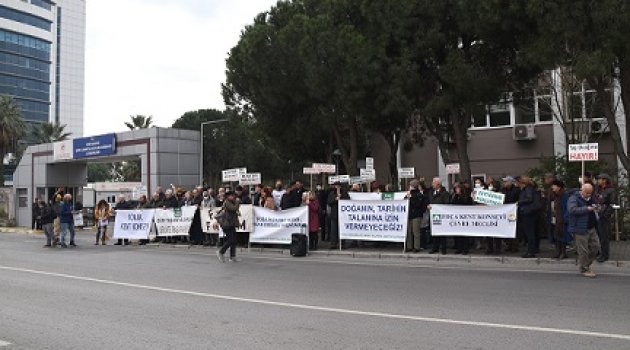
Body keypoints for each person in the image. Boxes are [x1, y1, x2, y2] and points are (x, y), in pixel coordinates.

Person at [567, 183, 601, 278]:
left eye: (590, 193)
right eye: (587, 193)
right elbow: (572, 210)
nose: (589, 195)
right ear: (582, 191)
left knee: (596, 247)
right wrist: (587, 209)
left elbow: (596, 205)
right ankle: (584, 268)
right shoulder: (574, 198)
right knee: (583, 251)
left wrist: (597, 208)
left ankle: (586, 264)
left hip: (591, 227)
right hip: (580, 228)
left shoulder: (592, 198)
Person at [517, 176, 542, 258]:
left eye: (518, 182)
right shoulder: (530, 189)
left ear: (522, 183)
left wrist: (519, 202)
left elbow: (529, 199)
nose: (517, 184)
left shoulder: (528, 189)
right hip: (530, 213)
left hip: (528, 213)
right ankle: (532, 250)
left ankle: (531, 251)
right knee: (531, 233)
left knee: (529, 233)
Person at [595, 173, 616, 263]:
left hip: (604, 217)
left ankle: (605, 255)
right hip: (597, 215)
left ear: (604, 180)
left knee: (604, 236)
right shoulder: (599, 190)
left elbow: (613, 205)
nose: (597, 181)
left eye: (599, 179)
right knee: (599, 236)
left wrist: (605, 215)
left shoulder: (611, 190)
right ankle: (600, 253)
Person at [216, 191, 241, 263]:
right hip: (227, 224)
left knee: (234, 240)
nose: (233, 197)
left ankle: (232, 256)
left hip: (231, 223)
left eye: (233, 196)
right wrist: (237, 203)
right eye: (231, 196)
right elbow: (233, 208)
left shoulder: (232, 202)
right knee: (231, 240)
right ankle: (221, 252)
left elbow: (235, 211)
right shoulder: (227, 202)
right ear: (228, 196)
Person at [429, 178, 451, 255]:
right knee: (434, 232)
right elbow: (429, 201)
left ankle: (443, 248)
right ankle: (435, 247)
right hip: (433, 215)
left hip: (441, 215)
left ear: (438, 184)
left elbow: (447, 203)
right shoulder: (431, 192)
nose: (432, 184)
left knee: (442, 233)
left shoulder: (444, 193)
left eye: (433, 183)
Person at [450, 184, 474, 254]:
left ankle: (465, 249)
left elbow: (469, 206)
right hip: (457, 218)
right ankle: (459, 248)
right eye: (455, 189)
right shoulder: (455, 197)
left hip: (465, 218)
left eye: (458, 188)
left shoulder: (467, 197)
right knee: (458, 234)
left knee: (464, 234)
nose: (456, 190)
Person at [405, 180, 427, 253]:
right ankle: (409, 246)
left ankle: (416, 247)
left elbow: (417, 204)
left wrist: (410, 198)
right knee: (409, 231)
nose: (409, 187)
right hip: (409, 215)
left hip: (416, 215)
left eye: (410, 185)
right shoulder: (409, 193)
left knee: (415, 231)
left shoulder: (419, 195)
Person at [550, 180, 570, 259]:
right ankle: (558, 252)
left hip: (562, 219)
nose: (552, 187)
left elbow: (566, 208)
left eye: (554, 186)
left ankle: (563, 252)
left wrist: (565, 218)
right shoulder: (556, 195)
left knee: (563, 236)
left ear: (559, 187)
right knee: (557, 235)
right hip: (557, 218)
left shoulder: (564, 196)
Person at [327, 182, 349, 249]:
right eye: (336, 186)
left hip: (342, 214)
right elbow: (329, 202)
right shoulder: (332, 193)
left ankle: (342, 244)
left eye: (338, 186)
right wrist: (335, 199)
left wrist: (341, 197)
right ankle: (333, 244)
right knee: (333, 230)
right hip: (334, 214)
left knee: (342, 230)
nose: (337, 187)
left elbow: (347, 201)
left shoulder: (344, 193)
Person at [502, 176, 521, 252]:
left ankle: (515, 246)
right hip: (505, 211)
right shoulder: (503, 190)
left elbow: (514, 199)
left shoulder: (516, 190)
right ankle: (509, 245)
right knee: (507, 229)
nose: (504, 183)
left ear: (510, 182)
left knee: (514, 229)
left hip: (513, 211)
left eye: (506, 182)